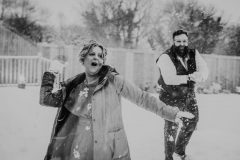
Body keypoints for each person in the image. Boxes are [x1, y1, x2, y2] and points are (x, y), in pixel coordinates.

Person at [40, 40, 194, 160]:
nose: (97, 58)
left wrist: (172, 113)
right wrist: (51, 74)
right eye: (92, 54)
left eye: (100, 55)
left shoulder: (113, 80)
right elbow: (46, 99)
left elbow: (143, 98)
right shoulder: (74, 87)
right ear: (83, 58)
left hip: (109, 149)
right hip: (79, 150)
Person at [156, 29, 209, 160]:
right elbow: (169, 78)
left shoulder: (193, 53)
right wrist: (189, 77)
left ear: (187, 41)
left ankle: (179, 150)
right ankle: (169, 157)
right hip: (170, 97)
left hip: (189, 96)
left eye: (184, 41)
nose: (182, 44)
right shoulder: (165, 57)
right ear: (174, 42)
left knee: (192, 121)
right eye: (178, 41)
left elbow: (204, 68)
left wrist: (200, 76)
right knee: (171, 128)